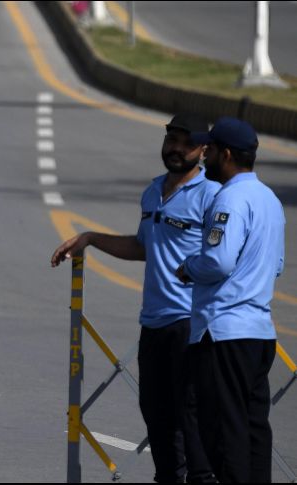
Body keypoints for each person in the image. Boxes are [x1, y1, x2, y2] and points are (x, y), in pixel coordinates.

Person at [51, 114, 216, 483]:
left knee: (191, 419)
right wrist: (90, 238)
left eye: (187, 143)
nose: (176, 149)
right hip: (154, 322)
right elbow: (143, 247)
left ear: (204, 150)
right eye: (171, 140)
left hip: (191, 323)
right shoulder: (154, 190)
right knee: (157, 416)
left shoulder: (211, 196)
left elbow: (221, 257)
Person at [176, 117, 285, 483]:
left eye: (208, 150)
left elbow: (219, 261)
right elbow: (277, 264)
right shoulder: (269, 199)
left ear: (225, 155)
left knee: (224, 434)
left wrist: (189, 267)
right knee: (254, 430)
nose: (203, 156)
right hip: (259, 333)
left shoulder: (230, 198)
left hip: (223, 333)